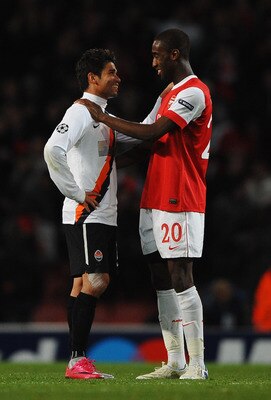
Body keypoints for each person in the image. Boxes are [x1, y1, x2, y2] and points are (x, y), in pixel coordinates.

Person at [77, 28, 212, 380]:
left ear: (174, 54)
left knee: (181, 275)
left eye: (157, 55)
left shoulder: (195, 92)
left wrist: (103, 116)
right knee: (159, 277)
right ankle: (175, 362)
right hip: (154, 197)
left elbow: (155, 133)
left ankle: (197, 364)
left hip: (180, 195)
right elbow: (144, 135)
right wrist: (106, 164)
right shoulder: (168, 92)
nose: (152, 62)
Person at [44, 48, 140, 379]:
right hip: (88, 213)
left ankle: (77, 360)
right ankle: (77, 359)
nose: (118, 77)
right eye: (112, 72)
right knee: (97, 281)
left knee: (81, 283)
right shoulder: (81, 112)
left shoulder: (101, 114)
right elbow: (51, 150)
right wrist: (76, 192)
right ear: (93, 78)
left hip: (96, 214)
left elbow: (139, 135)